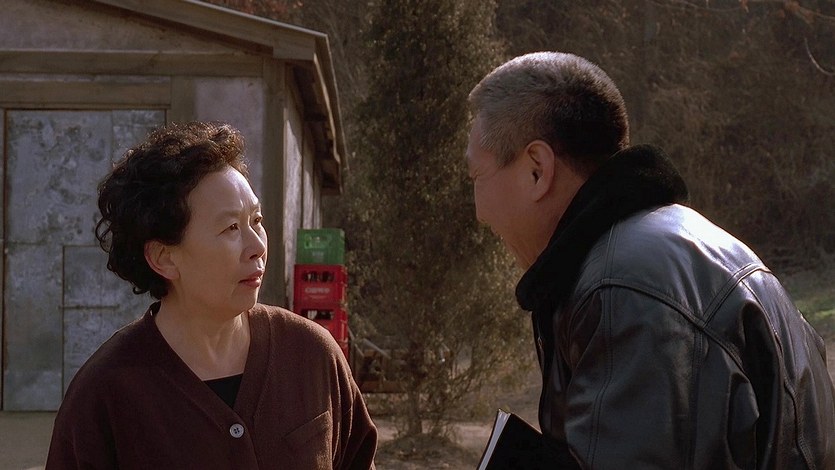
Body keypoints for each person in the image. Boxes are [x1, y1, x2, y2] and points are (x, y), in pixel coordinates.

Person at [467, 51, 835, 468]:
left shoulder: (626, 290)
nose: (479, 213)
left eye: (477, 177)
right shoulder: (671, 252)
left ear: (536, 169)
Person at [46, 121, 377, 469]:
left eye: (257, 220)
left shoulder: (311, 355)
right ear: (164, 257)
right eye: (231, 228)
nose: (257, 246)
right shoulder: (104, 394)